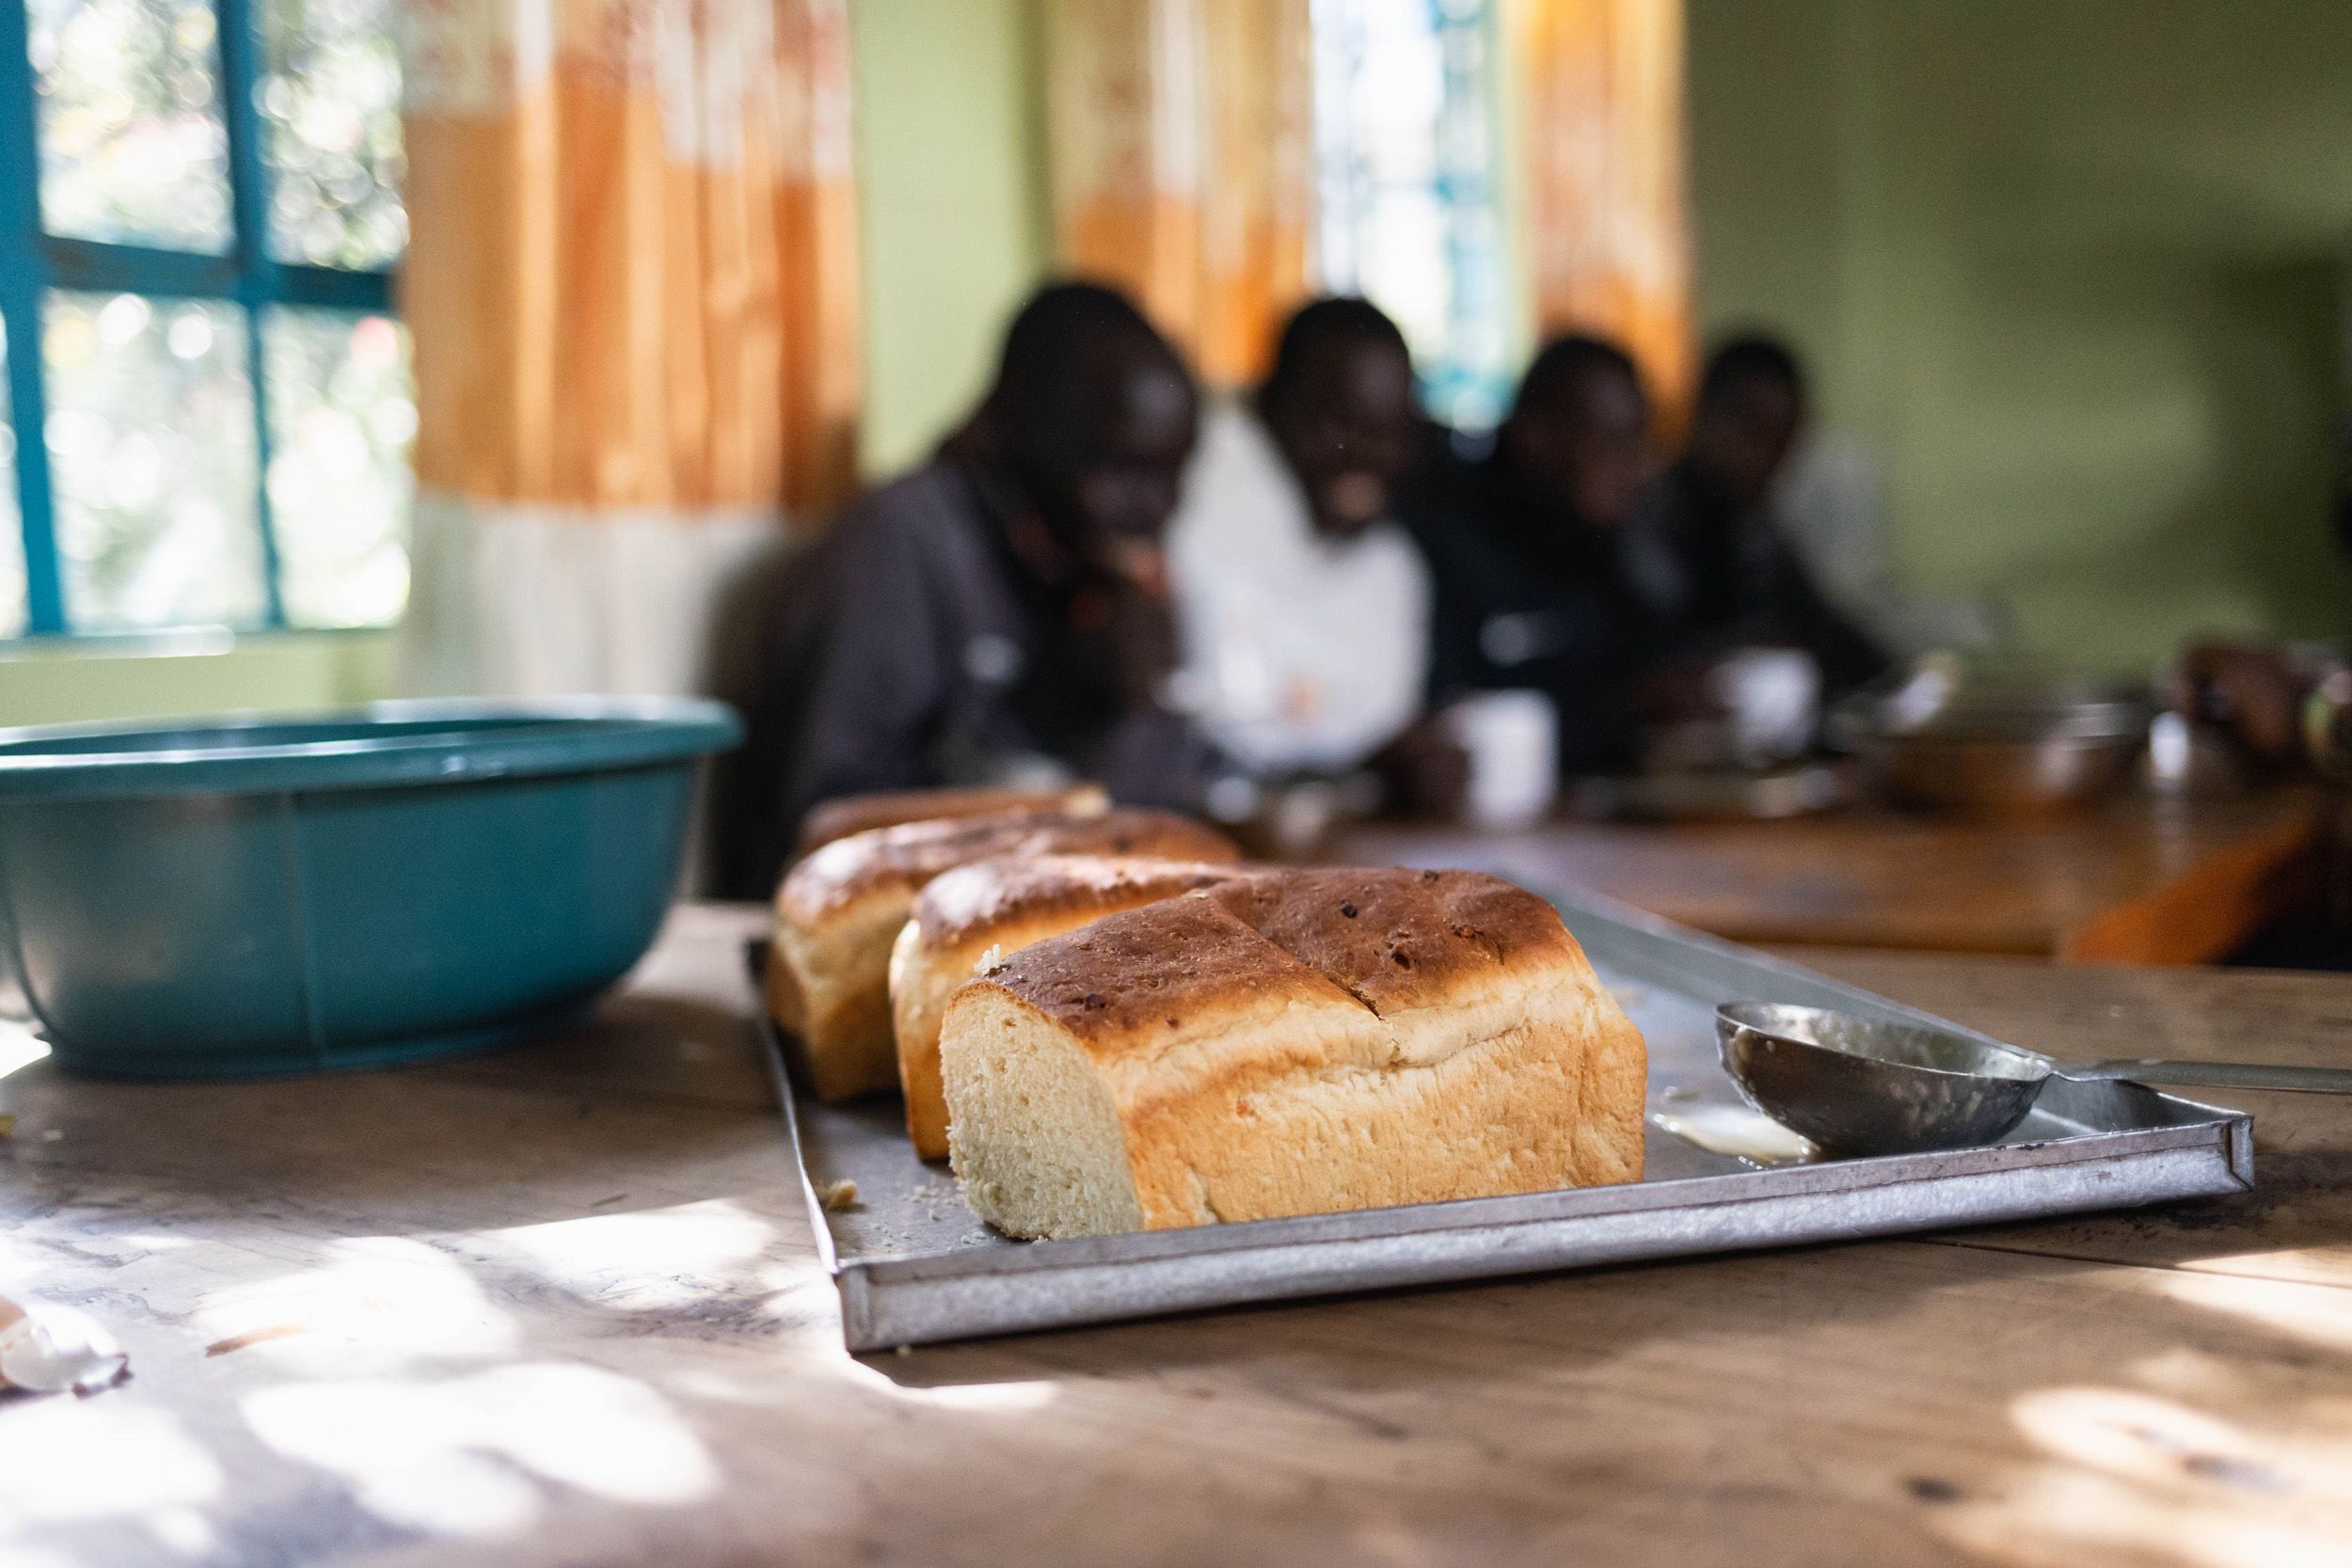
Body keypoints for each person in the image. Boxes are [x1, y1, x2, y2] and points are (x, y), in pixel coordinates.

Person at [712, 282, 1209, 897]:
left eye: (1176, 473)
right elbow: (826, 816)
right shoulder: (902, 541)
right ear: (1012, 420)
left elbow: (1159, 819)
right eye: (1122, 469)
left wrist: (1140, 701)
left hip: (1042, 928)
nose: (1158, 509)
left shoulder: (1102, 563)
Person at [1165, 296, 1434, 782]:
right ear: (1272, 405)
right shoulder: (1190, 504)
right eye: (1339, 423)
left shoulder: (1391, 564)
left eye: (1389, 430)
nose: (1366, 454)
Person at [1409, 333, 1669, 773]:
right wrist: (1624, 712)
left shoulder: (1604, 544)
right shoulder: (1446, 542)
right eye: (1616, 442)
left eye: (1642, 441)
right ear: (1536, 435)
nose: (1640, 468)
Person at [1632, 337, 1888, 694]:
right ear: (1704, 417)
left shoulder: (1755, 529)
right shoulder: (1644, 522)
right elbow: (1653, 662)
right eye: (1755, 432)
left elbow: (1845, 643)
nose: (1771, 459)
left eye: (1785, 440)